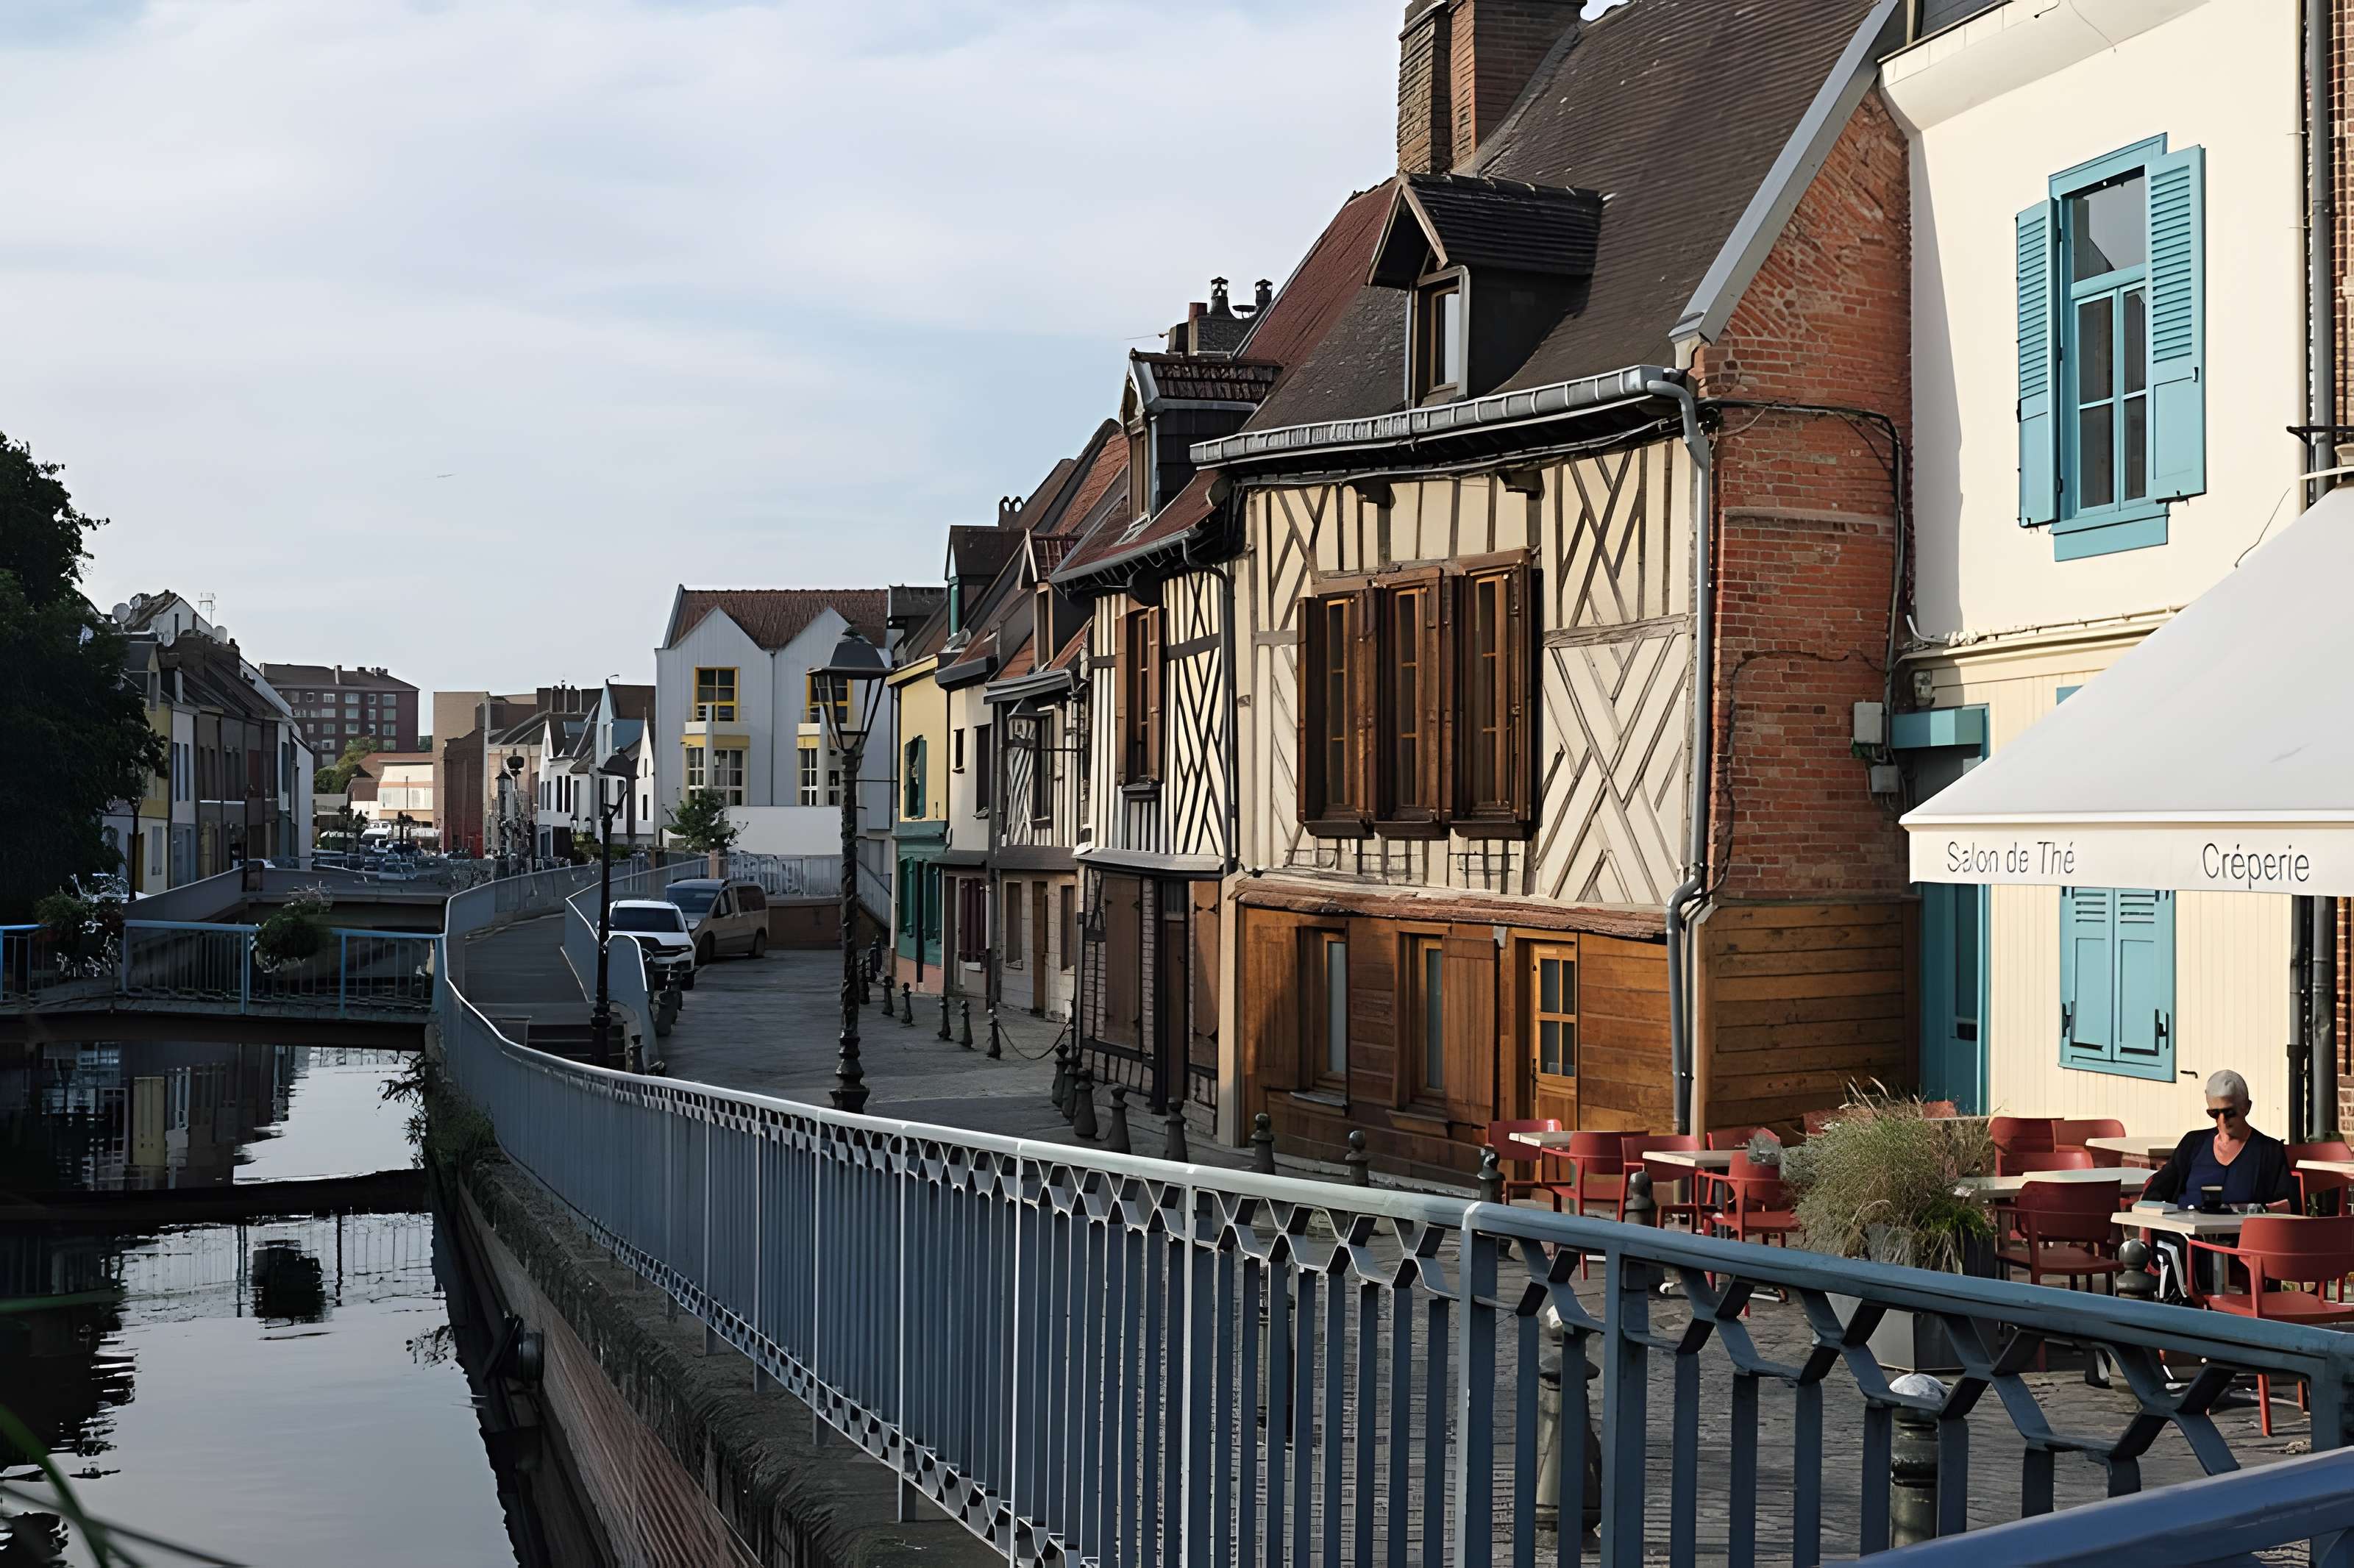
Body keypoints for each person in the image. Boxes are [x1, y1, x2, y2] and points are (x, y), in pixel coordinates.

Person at [2142, 1069, 2298, 1209]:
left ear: (2247, 1107)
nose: (2222, 1120)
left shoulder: (2268, 1151)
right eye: (2215, 1113)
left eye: (2229, 1112)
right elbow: (2155, 1191)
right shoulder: (2193, 1143)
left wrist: (2255, 1209)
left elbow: (2289, 1204)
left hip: (2240, 1237)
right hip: (2186, 1235)